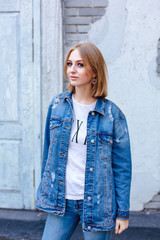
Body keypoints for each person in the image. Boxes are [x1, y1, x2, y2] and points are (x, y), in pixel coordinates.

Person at [36, 42, 132, 240]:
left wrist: (122, 212)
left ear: (94, 71)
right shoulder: (57, 106)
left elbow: (122, 167)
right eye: (70, 64)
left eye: (80, 64)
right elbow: (48, 154)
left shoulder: (112, 115)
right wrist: (47, 192)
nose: (72, 69)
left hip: (97, 203)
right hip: (62, 200)